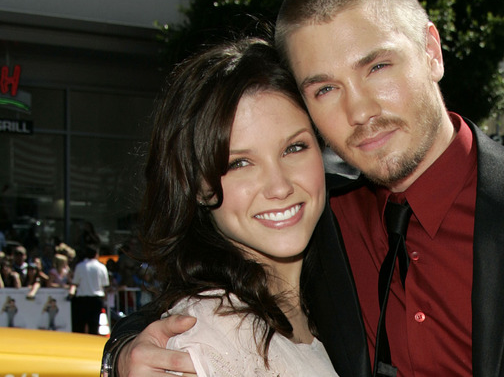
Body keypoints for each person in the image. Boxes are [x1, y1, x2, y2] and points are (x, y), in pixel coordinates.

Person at [104, 0, 504, 376]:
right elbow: (200, 304)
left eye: (377, 67)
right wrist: (125, 352)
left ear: (432, 51)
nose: (360, 110)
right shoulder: (316, 218)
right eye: (325, 88)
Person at [112, 36, 338, 376]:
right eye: (239, 164)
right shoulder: (208, 339)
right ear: (200, 187)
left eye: (294, 148)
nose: (279, 186)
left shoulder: (334, 293)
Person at [69, 244, 109, 334]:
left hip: (82, 299)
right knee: (94, 325)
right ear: (96, 254)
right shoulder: (101, 267)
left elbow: (75, 282)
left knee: (80, 325)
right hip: (96, 298)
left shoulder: (80, 266)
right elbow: (105, 285)